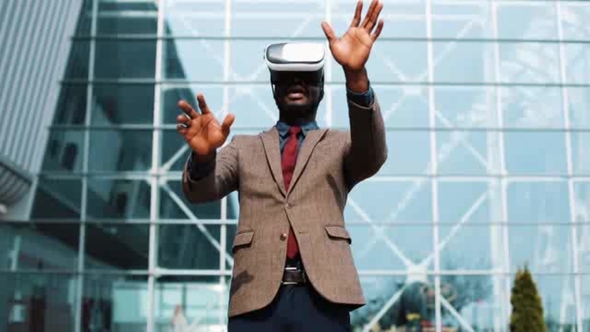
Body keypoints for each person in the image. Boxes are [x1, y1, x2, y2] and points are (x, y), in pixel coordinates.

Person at [176, 0, 387, 330]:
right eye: (287, 78)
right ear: (274, 88)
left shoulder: (341, 145)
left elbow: (372, 153)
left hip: (324, 299)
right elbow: (203, 190)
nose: (296, 83)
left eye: (306, 78)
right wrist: (204, 156)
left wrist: (355, 75)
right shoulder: (244, 148)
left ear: (320, 89)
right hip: (255, 298)